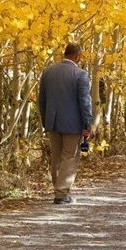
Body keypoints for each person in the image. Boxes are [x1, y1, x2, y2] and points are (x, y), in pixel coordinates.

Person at [38, 43, 93, 204]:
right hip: (73, 124)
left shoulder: (48, 72)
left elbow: (42, 100)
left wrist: (45, 120)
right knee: (70, 156)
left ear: (65, 53)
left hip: (52, 122)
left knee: (56, 157)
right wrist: (87, 124)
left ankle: (58, 189)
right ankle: (61, 193)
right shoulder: (80, 74)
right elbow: (85, 102)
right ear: (77, 56)